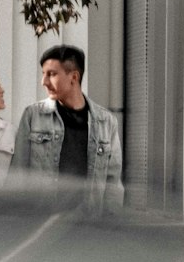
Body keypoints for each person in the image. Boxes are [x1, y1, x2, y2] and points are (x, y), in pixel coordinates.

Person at [12, 43, 123, 216]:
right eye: (43, 74)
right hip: (40, 227)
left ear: (74, 77)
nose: (44, 82)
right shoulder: (33, 116)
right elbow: (18, 176)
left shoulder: (106, 122)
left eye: (52, 74)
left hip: (88, 229)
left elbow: (112, 184)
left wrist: (110, 227)